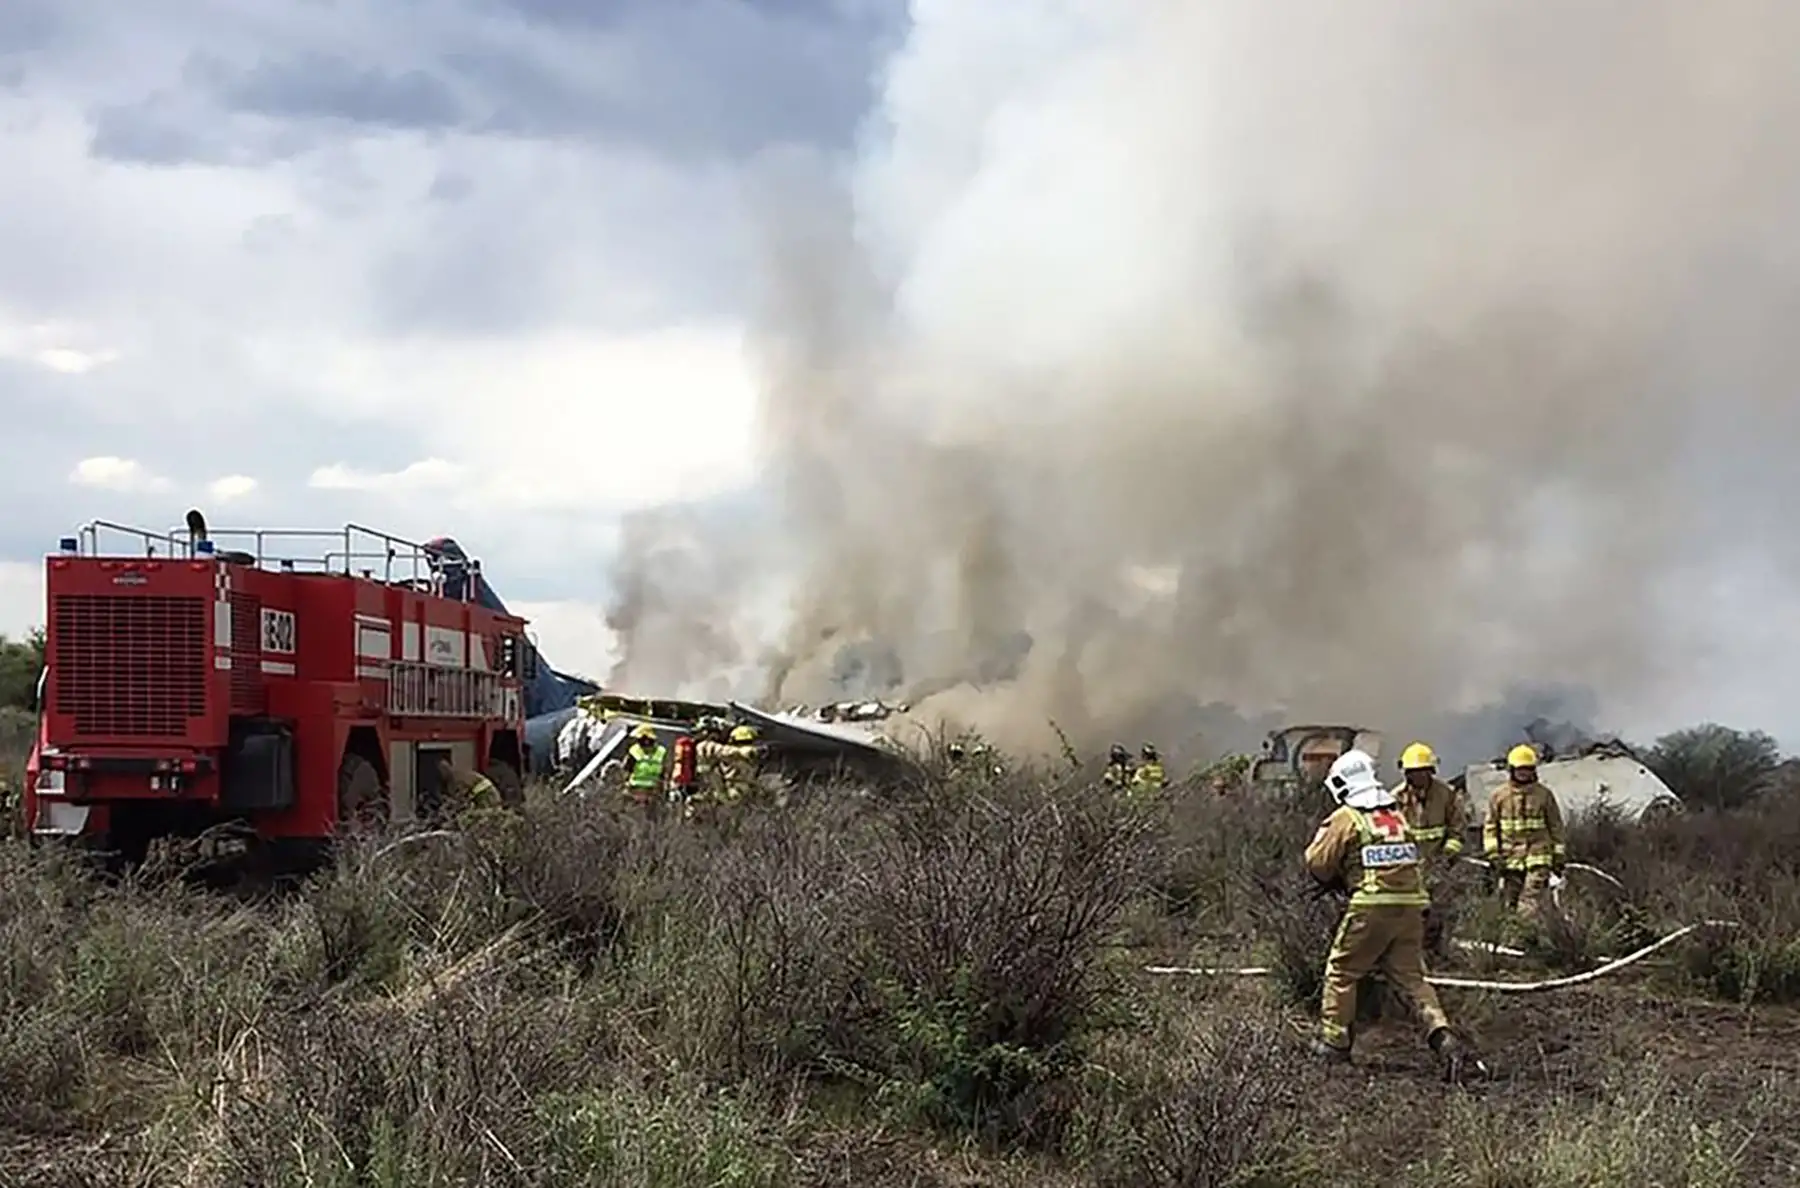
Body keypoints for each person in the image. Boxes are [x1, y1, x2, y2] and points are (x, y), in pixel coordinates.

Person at [1305, 748, 1471, 1078]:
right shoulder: (1396, 816)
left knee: (1343, 970)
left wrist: (1339, 876)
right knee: (1412, 979)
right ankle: (1444, 1037)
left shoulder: (1347, 817)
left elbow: (1317, 862)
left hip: (1371, 907)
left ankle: (1334, 1045)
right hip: (1411, 907)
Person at [1391, 741, 1469, 956]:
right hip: (1407, 867)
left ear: (1431, 771)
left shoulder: (1447, 795)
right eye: (1414, 772)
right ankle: (1409, 954)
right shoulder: (1396, 798)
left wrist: (1448, 854)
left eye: (1423, 772)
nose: (1418, 777)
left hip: (1439, 863)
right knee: (1409, 913)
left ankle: (1433, 953)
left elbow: (1458, 828)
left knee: (1437, 912)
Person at [1483, 743, 1566, 922]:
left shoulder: (1544, 795)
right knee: (1509, 902)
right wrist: (1493, 854)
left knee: (1530, 901)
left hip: (1538, 857)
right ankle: (1511, 938)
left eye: (1528, 769)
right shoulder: (1499, 796)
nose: (1524, 773)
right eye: (1520, 769)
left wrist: (1558, 856)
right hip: (1509, 858)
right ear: (1511, 770)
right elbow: (1491, 827)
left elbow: (1556, 826)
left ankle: (1522, 937)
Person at [435, 757, 499, 826]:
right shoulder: (449, 782)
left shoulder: (456, 778)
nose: (443, 771)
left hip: (485, 793)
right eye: (441, 769)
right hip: (480, 795)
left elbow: (461, 797)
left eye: (445, 768)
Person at [622, 723, 668, 811]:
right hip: (645, 791)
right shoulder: (660, 752)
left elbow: (626, 770)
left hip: (642, 791)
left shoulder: (635, 751)